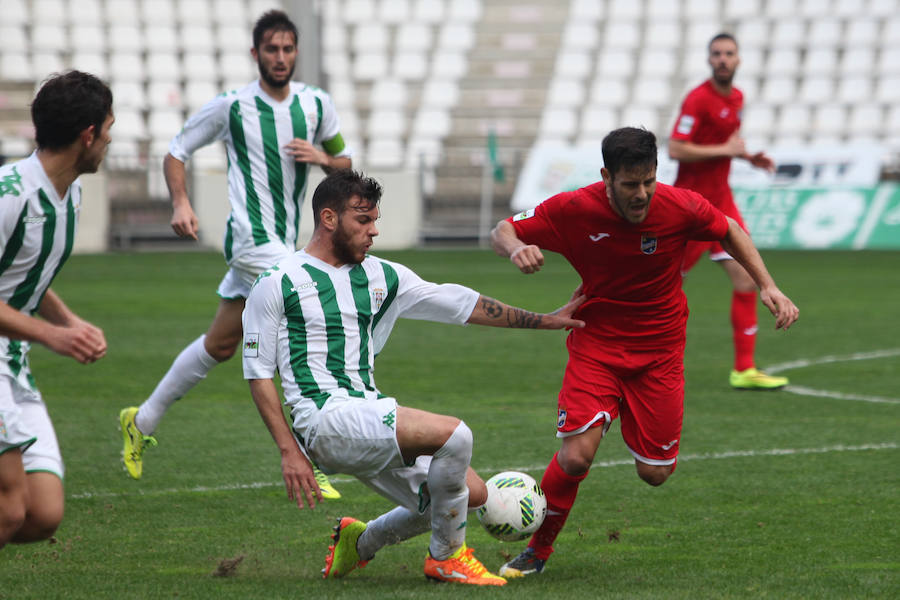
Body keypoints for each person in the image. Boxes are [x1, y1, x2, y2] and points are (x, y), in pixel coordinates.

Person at [242, 169, 586, 586]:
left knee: (463, 496)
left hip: (368, 410)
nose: (374, 231)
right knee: (455, 435)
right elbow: (258, 374)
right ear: (329, 219)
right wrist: (289, 451)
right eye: (363, 220)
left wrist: (546, 321)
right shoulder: (277, 282)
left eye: (375, 220)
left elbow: (459, 303)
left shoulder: (383, 276)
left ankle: (360, 541)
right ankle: (446, 559)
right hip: (323, 420)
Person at [491, 127, 799, 576]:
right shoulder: (574, 208)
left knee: (655, 473)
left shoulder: (679, 206)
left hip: (660, 353)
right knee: (576, 455)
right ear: (606, 177)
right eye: (630, 184)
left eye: (649, 181)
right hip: (596, 344)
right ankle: (538, 551)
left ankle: (623, 426)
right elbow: (502, 230)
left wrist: (768, 285)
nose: (642, 194)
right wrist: (518, 248)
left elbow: (729, 228)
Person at [119, 10, 351, 497]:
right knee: (302, 320)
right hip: (251, 241)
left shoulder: (317, 104)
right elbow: (176, 150)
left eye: (288, 49)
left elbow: (345, 162)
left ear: (296, 52)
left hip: (287, 241)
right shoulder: (232, 107)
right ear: (256, 54)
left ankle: (141, 420)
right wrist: (180, 202)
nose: (281, 58)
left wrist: (324, 159)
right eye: (272, 49)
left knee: (220, 345)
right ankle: (308, 454)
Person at [0, 71, 112, 549]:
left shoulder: (72, 194)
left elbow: (25, 273)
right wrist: (52, 336)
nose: (109, 140)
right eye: (108, 129)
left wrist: (68, 321)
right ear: (88, 135)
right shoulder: (10, 196)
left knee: (42, 513)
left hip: (12, 365)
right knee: (8, 507)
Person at [669, 32, 786, 390]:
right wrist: (726, 150)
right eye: (716, 54)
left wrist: (748, 157)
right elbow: (676, 148)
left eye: (729, 54)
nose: (722, 59)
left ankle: (744, 369)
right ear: (709, 60)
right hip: (689, 207)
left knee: (746, 279)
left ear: (738, 60)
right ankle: (641, 354)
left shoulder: (736, 98)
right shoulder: (697, 100)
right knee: (665, 286)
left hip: (722, 204)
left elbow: (727, 146)